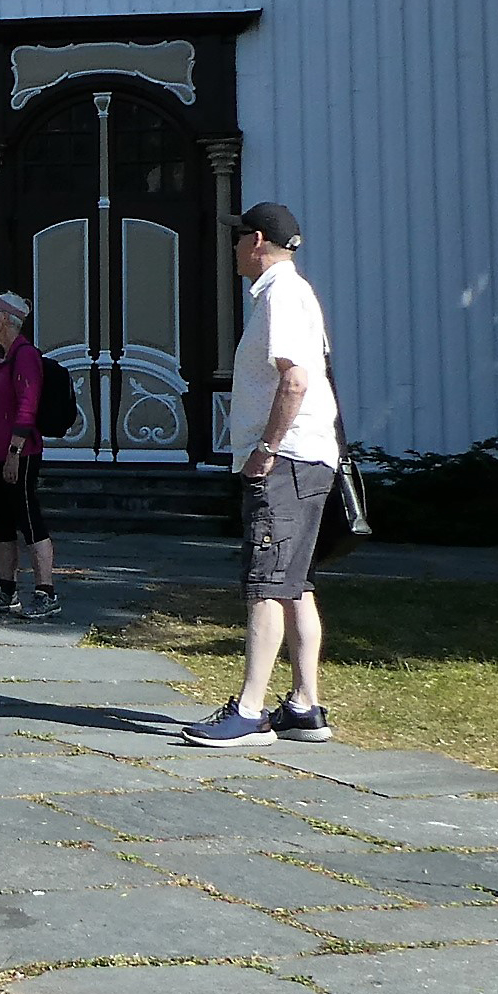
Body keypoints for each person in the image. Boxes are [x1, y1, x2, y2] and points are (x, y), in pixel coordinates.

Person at [187, 201, 343, 747]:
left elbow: (294, 380)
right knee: (295, 585)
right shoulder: (293, 293)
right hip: (309, 456)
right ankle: (304, 705)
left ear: (257, 241)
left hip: (288, 459)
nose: (232, 249)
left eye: (238, 239)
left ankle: (250, 711)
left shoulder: (280, 294)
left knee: (266, 585)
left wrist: (267, 448)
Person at [0, 292, 60, 619]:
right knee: (2, 524)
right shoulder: (5, 358)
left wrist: (14, 451)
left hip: (19, 455)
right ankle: (6, 589)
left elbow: (27, 406)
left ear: (7, 319)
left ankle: (45, 591)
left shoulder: (24, 356)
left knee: (28, 520)